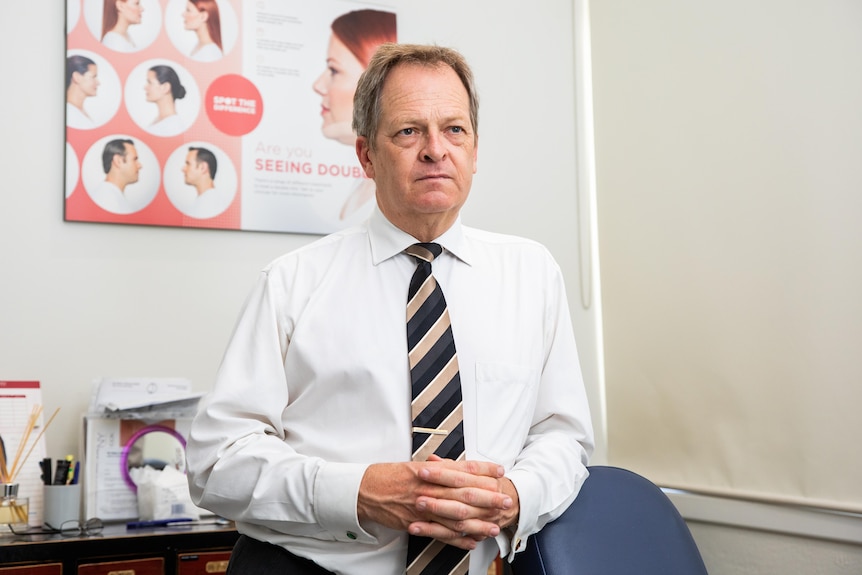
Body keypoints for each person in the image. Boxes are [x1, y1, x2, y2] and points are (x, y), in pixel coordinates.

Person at [186, 44, 594, 575]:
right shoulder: (292, 282)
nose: (435, 150)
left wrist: (516, 495)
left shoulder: (532, 274)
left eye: (454, 130)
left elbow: (563, 435)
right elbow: (217, 463)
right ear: (366, 155)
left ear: (474, 150)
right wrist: (357, 493)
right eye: (408, 131)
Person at [312, 9, 396, 222]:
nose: (318, 86)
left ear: (375, 84)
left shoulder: (394, 194)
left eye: (333, 70)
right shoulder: (363, 184)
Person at [91, 138, 141, 214]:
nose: (140, 165)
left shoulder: (111, 197)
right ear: (118, 161)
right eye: (134, 159)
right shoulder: (107, 200)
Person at [180, 146, 223, 219]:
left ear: (203, 168)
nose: (183, 169)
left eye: (188, 164)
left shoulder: (209, 205)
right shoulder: (205, 201)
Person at [145, 65, 187, 136]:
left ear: (165, 87)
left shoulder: (173, 127)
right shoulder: (160, 121)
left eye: (150, 82)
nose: (145, 87)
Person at [66, 55, 100, 129]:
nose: (98, 83)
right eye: (93, 77)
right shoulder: (69, 113)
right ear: (77, 77)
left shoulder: (78, 111)